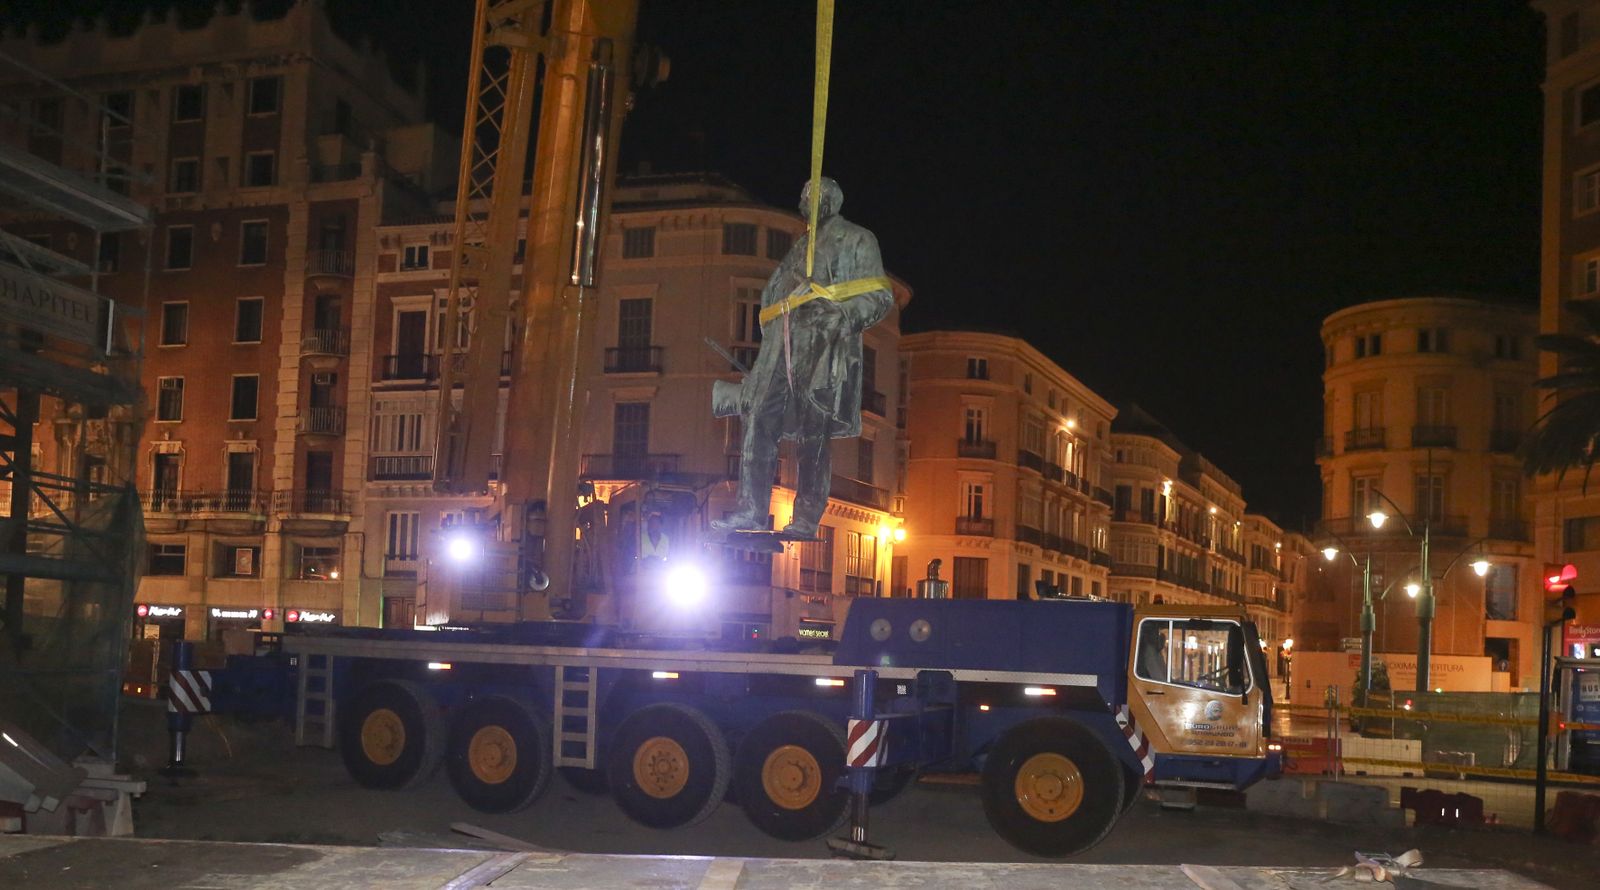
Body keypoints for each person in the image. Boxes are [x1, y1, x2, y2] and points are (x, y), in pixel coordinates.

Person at [712, 177, 892, 537]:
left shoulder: (858, 239)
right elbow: (772, 297)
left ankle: (807, 517)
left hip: (825, 347)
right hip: (782, 346)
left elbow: (879, 296)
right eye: (803, 198)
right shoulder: (799, 248)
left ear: (831, 202)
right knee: (758, 417)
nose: (803, 205)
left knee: (815, 432)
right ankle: (750, 510)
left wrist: (841, 315)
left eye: (811, 198)